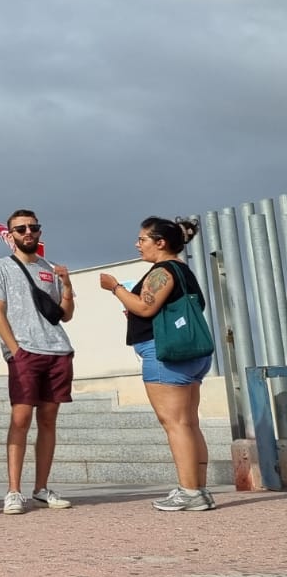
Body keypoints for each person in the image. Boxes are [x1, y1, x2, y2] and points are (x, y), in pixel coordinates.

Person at [99, 216, 215, 512]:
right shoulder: (184, 270)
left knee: (174, 424)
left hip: (165, 354)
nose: (138, 245)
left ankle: (189, 492)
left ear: (160, 243)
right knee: (189, 422)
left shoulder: (162, 270)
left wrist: (115, 288)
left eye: (142, 239)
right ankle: (198, 489)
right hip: (193, 354)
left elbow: (145, 306)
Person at [0, 209, 77, 515]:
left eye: (32, 227)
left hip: (57, 350)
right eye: (20, 228)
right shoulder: (0, 267)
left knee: (48, 420)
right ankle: (13, 490)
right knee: (20, 419)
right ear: (10, 235)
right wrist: (15, 349)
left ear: (39, 231)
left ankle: (41, 488)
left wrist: (66, 285)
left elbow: (65, 315)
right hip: (25, 351)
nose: (27, 232)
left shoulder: (49, 267)